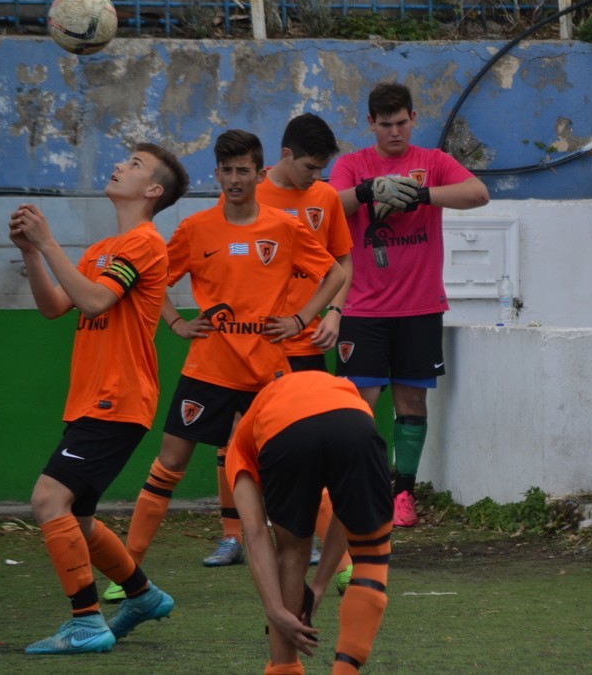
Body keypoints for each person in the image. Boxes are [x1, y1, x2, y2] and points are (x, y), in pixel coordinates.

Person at [116, 130, 345, 586]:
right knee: (169, 464)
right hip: (208, 369)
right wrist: (175, 323)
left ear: (260, 174)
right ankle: (125, 571)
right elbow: (151, 278)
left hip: (268, 372)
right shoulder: (195, 229)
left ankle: (343, 568)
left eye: (243, 170)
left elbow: (334, 273)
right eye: (227, 170)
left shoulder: (284, 227)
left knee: (297, 464)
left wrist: (300, 320)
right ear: (217, 175)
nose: (235, 179)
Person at [10, 143, 189, 654]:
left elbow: (94, 301)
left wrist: (48, 242)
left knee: (49, 499)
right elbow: (56, 306)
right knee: (80, 520)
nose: (118, 166)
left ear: (153, 190)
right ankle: (143, 595)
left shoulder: (145, 244)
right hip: (93, 400)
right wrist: (31, 252)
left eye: (134, 165)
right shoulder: (101, 251)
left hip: (118, 398)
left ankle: (86, 623)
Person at [329, 82, 490, 528]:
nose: (395, 132)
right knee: (359, 406)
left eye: (402, 122)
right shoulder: (352, 164)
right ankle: (362, 490)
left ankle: (403, 494)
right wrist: (367, 192)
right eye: (386, 125)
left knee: (411, 404)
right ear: (370, 124)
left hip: (420, 306)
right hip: (363, 308)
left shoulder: (432, 162)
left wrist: (422, 195)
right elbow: (327, 207)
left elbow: (478, 193)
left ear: (413, 118)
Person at [206, 114, 354, 581]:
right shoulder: (247, 192)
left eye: (321, 168)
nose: (316, 176)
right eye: (310, 167)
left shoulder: (325, 198)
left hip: (304, 337)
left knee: (306, 437)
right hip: (253, 339)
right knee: (237, 435)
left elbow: (341, 260)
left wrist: (334, 313)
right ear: (285, 156)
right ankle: (232, 534)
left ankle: (306, 534)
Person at [226, 371, 393, 675]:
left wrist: (276, 611)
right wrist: (318, 586)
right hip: (354, 419)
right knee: (372, 554)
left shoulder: (238, 446)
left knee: (292, 552)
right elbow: (344, 509)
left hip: (286, 430)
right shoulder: (314, 388)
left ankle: (285, 668)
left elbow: (255, 532)